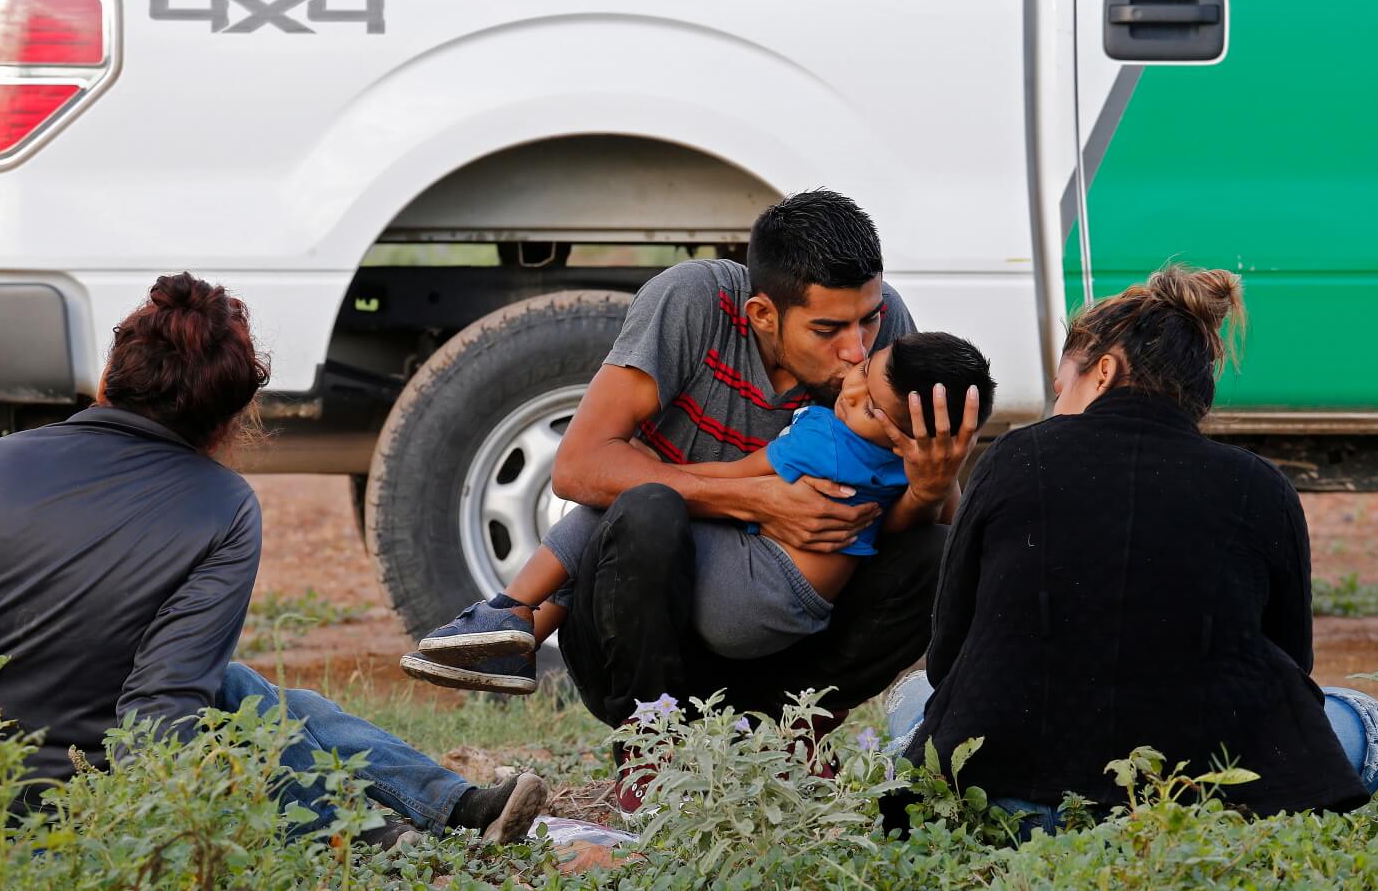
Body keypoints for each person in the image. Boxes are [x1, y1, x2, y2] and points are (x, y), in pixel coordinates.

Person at [0, 272, 546, 848]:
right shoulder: (223, 506)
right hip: (75, 809)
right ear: (227, 423)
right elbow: (161, 714)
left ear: (108, 378)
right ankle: (384, 833)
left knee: (238, 688)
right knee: (237, 699)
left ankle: (436, 812)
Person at [404, 190, 981, 803]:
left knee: (942, 551)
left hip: (778, 623)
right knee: (648, 508)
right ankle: (651, 746)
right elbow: (577, 469)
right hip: (644, 634)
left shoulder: (884, 337)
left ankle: (792, 728)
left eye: (867, 320)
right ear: (762, 314)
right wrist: (757, 500)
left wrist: (933, 485)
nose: (857, 349)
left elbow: (906, 525)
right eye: (828, 328)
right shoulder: (693, 302)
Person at [886, 265, 1378, 837]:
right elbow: (1291, 666)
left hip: (1007, 800)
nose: (1058, 410)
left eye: (1062, 391)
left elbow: (947, 657)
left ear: (1103, 371)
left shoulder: (1013, 456)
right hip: (1191, 806)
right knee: (1368, 717)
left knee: (910, 698)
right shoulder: (1261, 486)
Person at [403, 332, 993, 687]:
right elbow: (902, 531)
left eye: (870, 407)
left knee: (626, 504)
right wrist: (931, 484)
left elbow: (729, 478)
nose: (851, 391)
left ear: (907, 433)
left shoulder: (826, 442)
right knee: (634, 506)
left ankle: (509, 613)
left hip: (757, 593)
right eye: (862, 373)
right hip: (800, 609)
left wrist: (646, 469)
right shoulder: (897, 463)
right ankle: (518, 635)